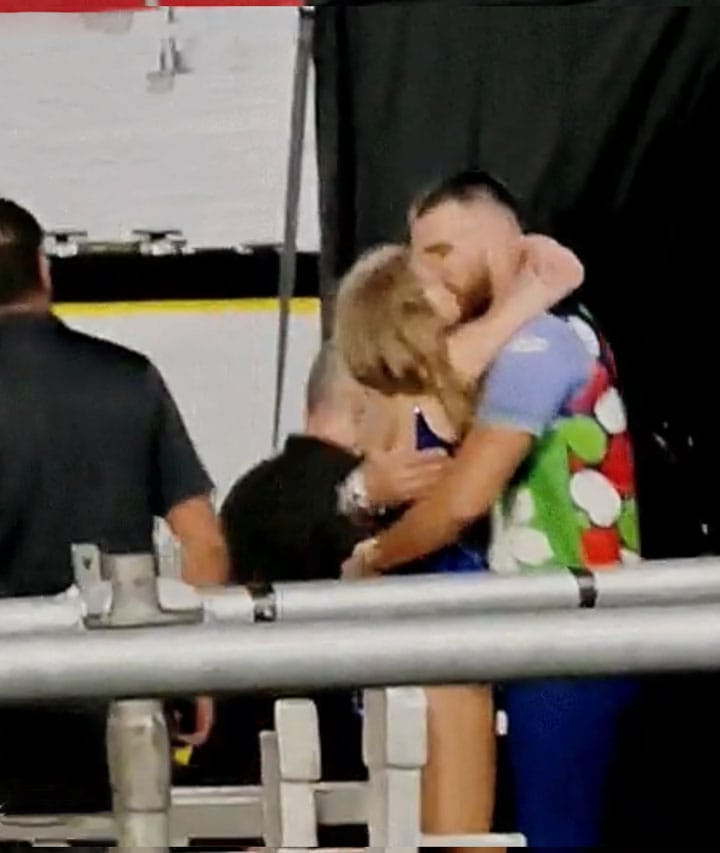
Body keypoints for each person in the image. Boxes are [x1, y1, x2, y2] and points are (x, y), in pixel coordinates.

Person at [342, 171, 640, 848]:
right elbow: (427, 406)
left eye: (441, 251)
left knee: (543, 828)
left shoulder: (538, 345)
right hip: (537, 623)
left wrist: (374, 553)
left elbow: (461, 496)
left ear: (496, 234)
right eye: (419, 258)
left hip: (568, 628)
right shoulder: (505, 347)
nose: (428, 274)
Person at [0, 199, 228, 812]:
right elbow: (202, 540)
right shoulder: (130, 378)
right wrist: (196, 668)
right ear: (43, 271)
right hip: (113, 696)